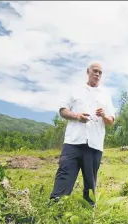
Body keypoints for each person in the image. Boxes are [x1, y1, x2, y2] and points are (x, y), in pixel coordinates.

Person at [49, 61, 115, 207]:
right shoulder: (76, 90)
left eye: (100, 72)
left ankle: (88, 213)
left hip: (94, 144)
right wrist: (77, 116)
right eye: (95, 71)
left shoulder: (105, 94)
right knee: (64, 174)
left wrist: (104, 115)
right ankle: (55, 207)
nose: (97, 74)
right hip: (73, 142)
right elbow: (62, 111)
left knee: (90, 183)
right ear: (88, 71)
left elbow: (111, 120)